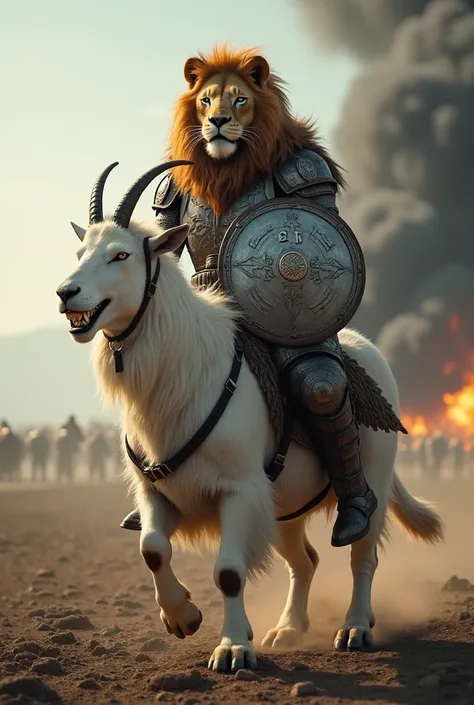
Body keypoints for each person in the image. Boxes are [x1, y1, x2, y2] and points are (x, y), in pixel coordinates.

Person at [120, 45, 380, 547]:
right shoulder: (177, 185)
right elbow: (163, 265)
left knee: (321, 383)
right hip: (208, 314)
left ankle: (354, 493)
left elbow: (327, 253)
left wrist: (293, 301)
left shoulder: (299, 169)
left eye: (237, 103)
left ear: (260, 101)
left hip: (289, 315)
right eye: (207, 104)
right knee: (145, 375)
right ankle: (157, 488)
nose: (218, 115)